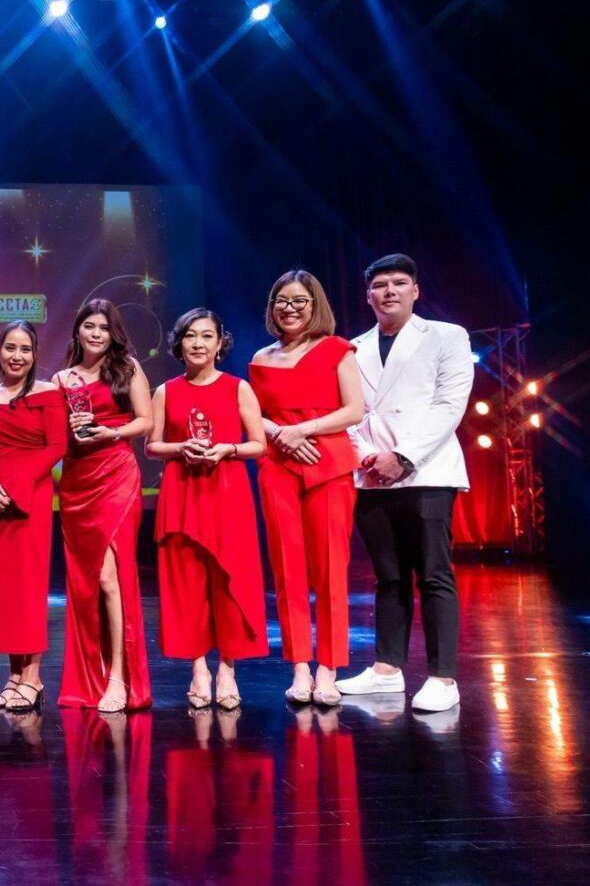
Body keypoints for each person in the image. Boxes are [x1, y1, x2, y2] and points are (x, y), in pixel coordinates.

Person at [338, 254, 474, 713]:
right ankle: (386, 669)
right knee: (388, 576)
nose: (389, 291)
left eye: (399, 283)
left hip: (426, 470)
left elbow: (449, 405)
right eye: (380, 285)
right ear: (368, 296)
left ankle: (442, 677)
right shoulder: (352, 348)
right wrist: (366, 456)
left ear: (416, 291)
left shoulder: (446, 336)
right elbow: (348, 412)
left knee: (433, 573)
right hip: (370, 473)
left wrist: (402, 457)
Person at [249, 270, 365, 707]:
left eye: (299, 300)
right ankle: (300, 666)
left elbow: (354, 410)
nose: (290, 308)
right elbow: (252, 414)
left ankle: (329, 668)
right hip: (278, 465)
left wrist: (304, 430)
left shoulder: (337, 349)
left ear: (315, 304)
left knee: (331, 569)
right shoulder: (261, 357)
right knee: (287, 569)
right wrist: (282, 435)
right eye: (281, 300)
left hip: (327, 464)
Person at [146, 309, 267, 711]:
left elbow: (258, 444)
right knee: (186, 585)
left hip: (227, 493)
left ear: (219, 343)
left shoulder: (238, 388)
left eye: (206, 336)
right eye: (190, 336)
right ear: (179, 344)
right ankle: (199, 669)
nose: (198, 343)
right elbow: (152, 446)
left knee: (230, 582)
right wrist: (181, 448)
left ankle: (228, 669)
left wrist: (227, 449)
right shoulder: (165, 391)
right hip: (182, 493)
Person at [53, 299, 154, 713]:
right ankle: (91, 674)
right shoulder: (62, 379)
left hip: (116, 476)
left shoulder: (127, 368)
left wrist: (109, 432)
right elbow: (55, 435)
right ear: (78, 330)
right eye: (89, 326)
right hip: (77, 484)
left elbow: (146, 421)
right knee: (86, 582)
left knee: (111, 577)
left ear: (114, 334)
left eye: (104, 328)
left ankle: (119, 676)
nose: (96, 334)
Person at [0, 321, 67, 713]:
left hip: (30, 496)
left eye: (25, 349)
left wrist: (17, 483)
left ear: (35, 354)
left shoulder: (48, 393)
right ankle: (13, 674)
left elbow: (56, 446)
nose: (17, 356)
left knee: (29, 586)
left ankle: (33, 677)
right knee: (3, 589)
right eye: (11, 347)